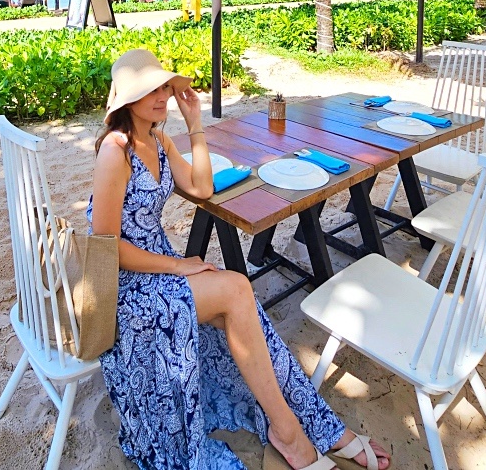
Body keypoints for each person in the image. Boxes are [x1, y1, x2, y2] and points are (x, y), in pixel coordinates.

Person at [88, 49, 389, 470]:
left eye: (163, 88)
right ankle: (292, 432)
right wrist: (180, 265)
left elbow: (203, 188)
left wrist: (195, 125)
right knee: (237, 290)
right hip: (126, 287)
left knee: (240, 300)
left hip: (157, 265)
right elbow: (106, 246)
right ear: (125, 100)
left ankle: (300, 427)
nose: (160, 97)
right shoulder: (115, 151)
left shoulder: (157, 140)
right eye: (148, 91)